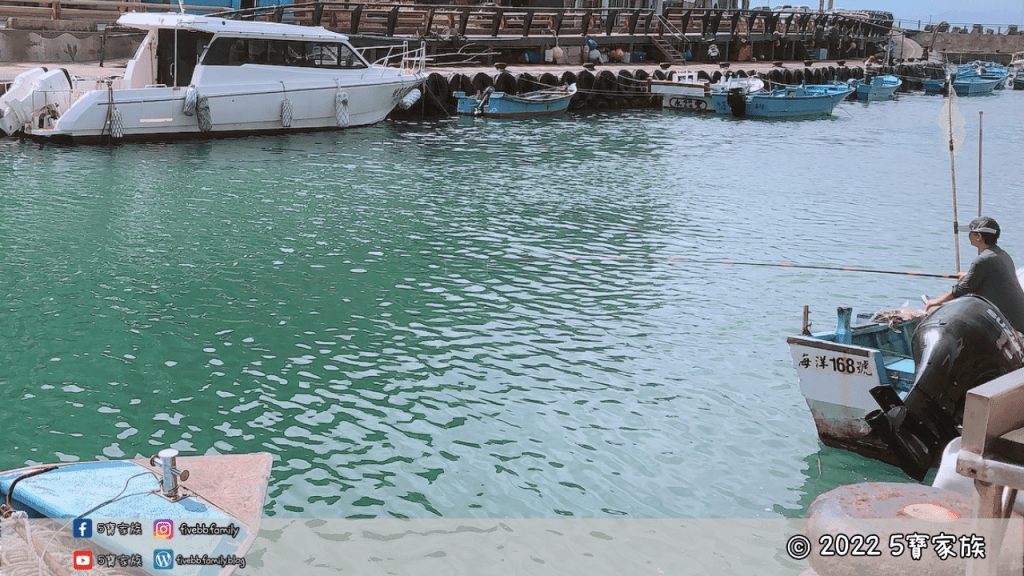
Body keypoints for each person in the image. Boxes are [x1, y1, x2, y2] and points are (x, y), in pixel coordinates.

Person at [925, 216, 1024, 334]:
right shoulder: (1002, 255)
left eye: (971, 233)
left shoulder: (982, 260)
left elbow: (962, 290)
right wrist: (970, 275)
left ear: (979, 237)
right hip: (1019, 317)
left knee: (934, 311)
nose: (968, 235)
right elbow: (992, 275)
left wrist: (936, 301)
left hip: (1009, 323)